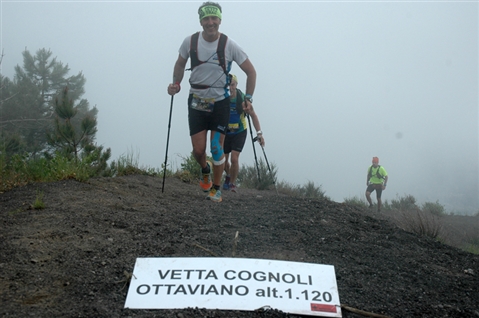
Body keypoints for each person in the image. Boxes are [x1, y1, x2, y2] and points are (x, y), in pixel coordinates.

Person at [167, 2, 256, 202]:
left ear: (220, 20)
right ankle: (205, 169)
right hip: (197, 101)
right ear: (200, 21)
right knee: (198, 151)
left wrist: (248, 98)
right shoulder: (189, 42)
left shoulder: (229, 45)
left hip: (220, 102)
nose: (210, 22)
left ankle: (216, 188)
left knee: (216, 146)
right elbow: (180, 63)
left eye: (214, 18)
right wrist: (175, 83)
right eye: (206, 18)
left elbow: (251, 71)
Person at [222, 74, 264, 193]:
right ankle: (228, 176)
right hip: (226, 132)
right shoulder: (223, 98)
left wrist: (259, 134)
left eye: (232, 85)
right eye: (228, 85)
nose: (230, 88)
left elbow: (253, 116)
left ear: (236, 85)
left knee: (234, 159)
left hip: (240, 132)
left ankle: (232, 183)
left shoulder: (242, 99)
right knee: (224, 161)